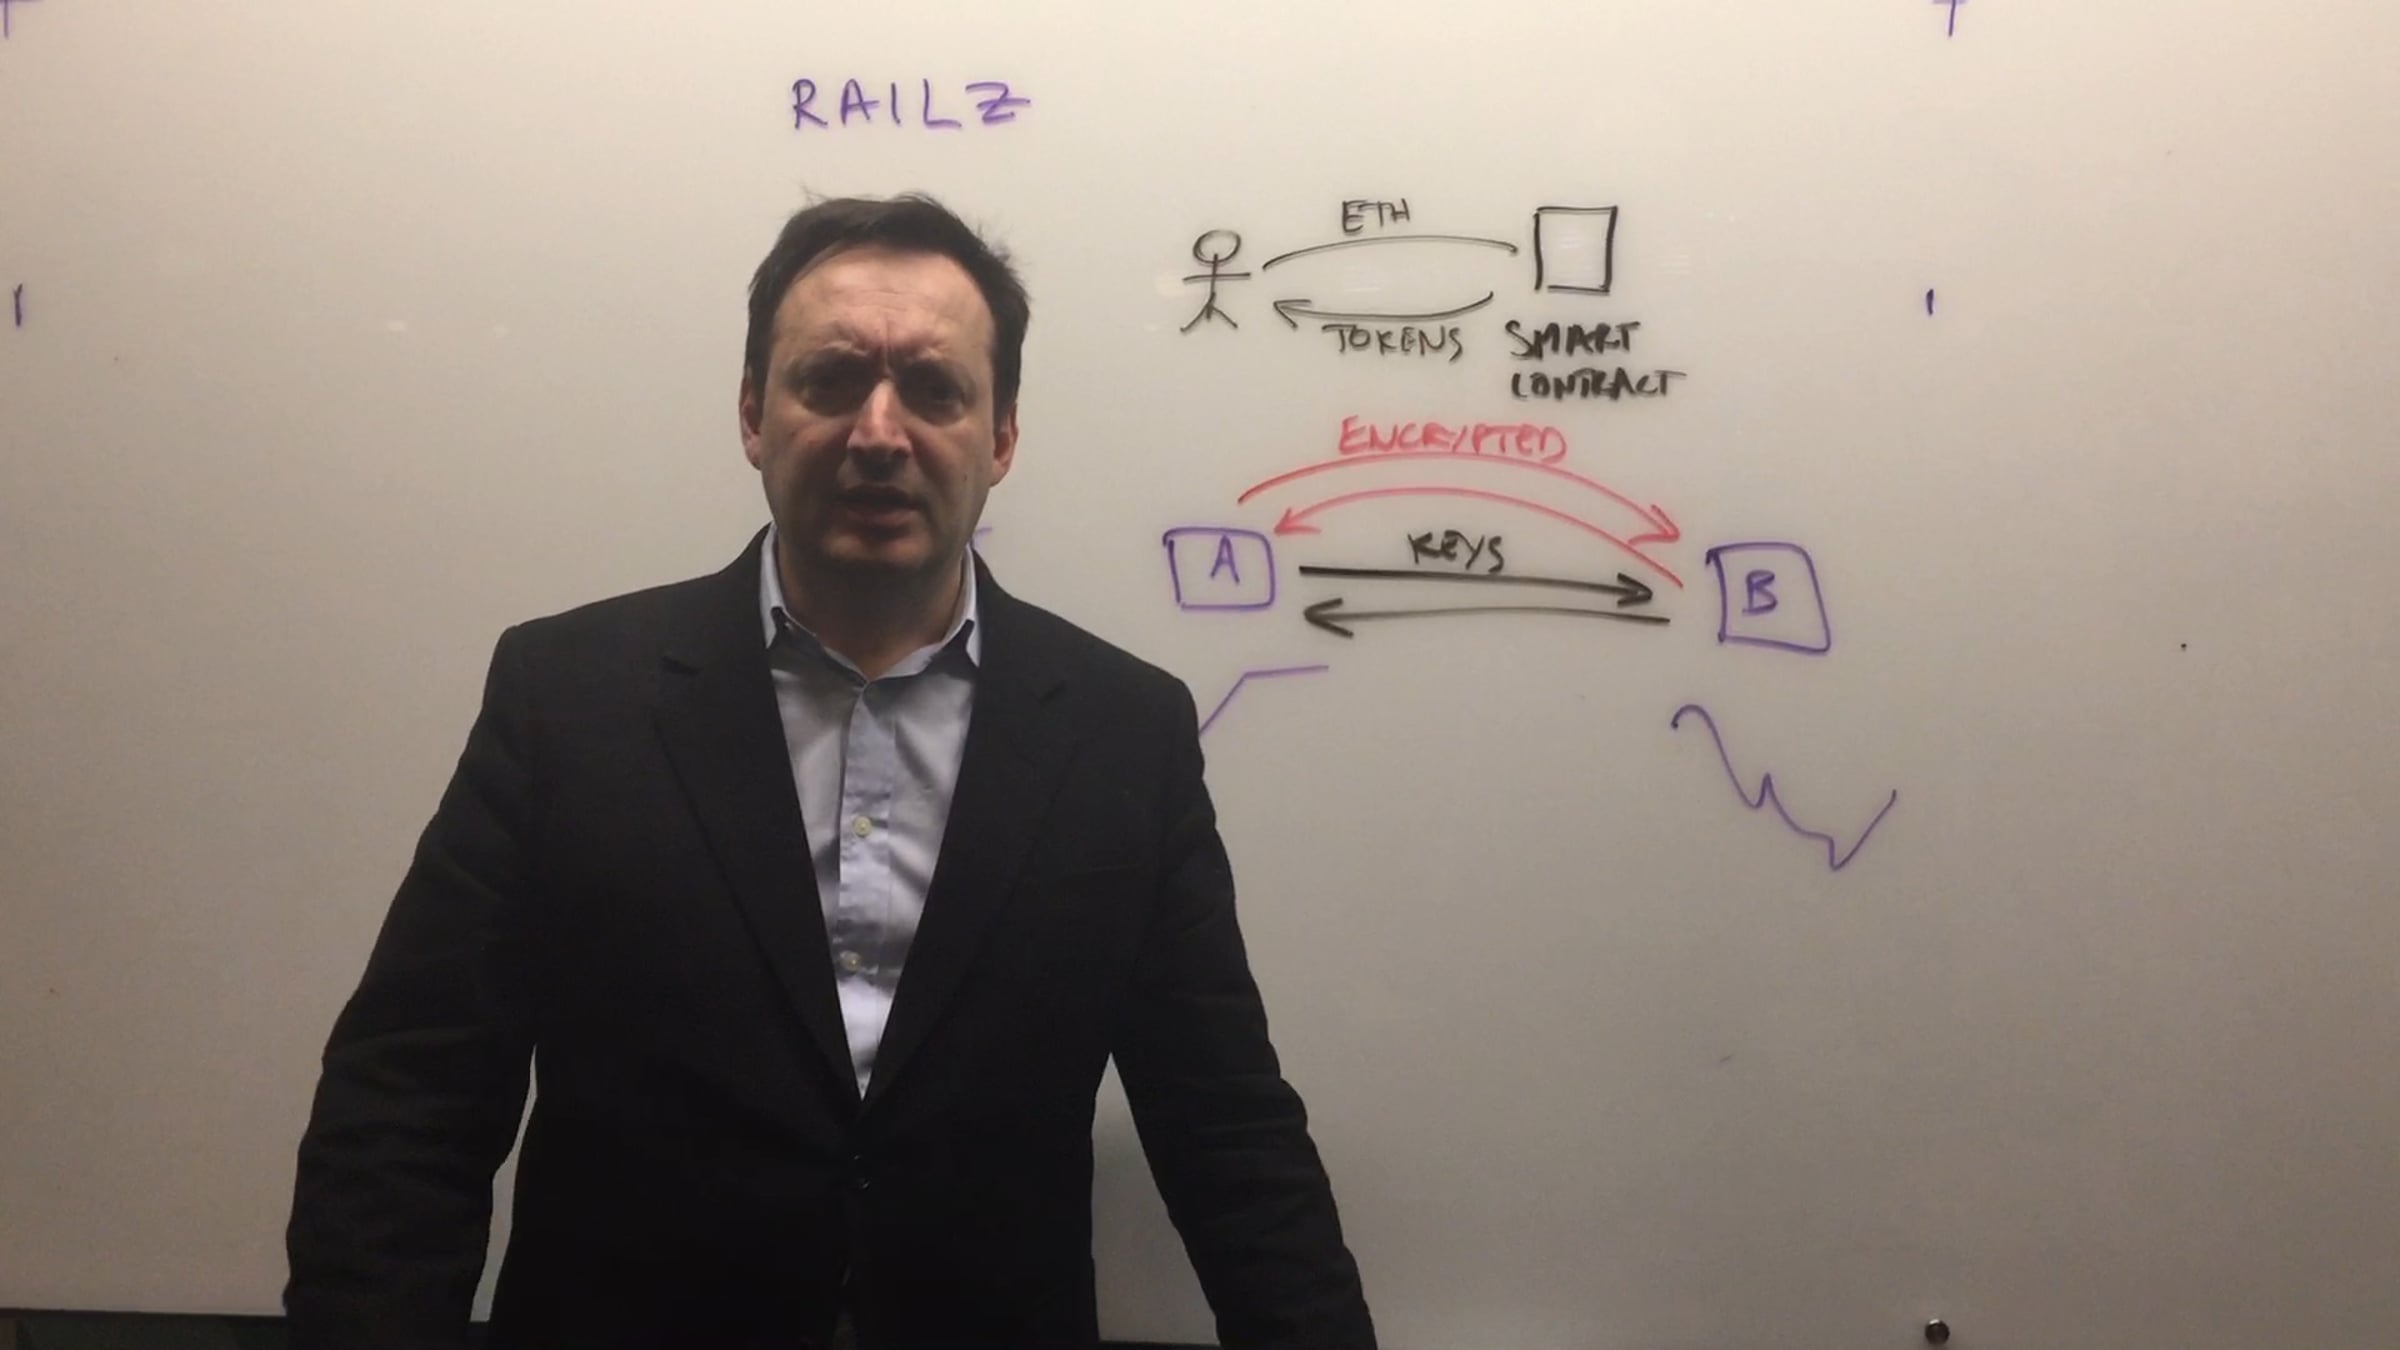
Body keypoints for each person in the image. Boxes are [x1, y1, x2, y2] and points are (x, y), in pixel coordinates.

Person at [284, 194, 1377, 1350]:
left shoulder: (1123, 733)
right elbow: (410, 1102)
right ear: (753, 413)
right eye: (832, 380)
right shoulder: (570, 698)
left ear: (1002, 437)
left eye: (936, 390)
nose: (879, 432)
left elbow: (1228, 1131)